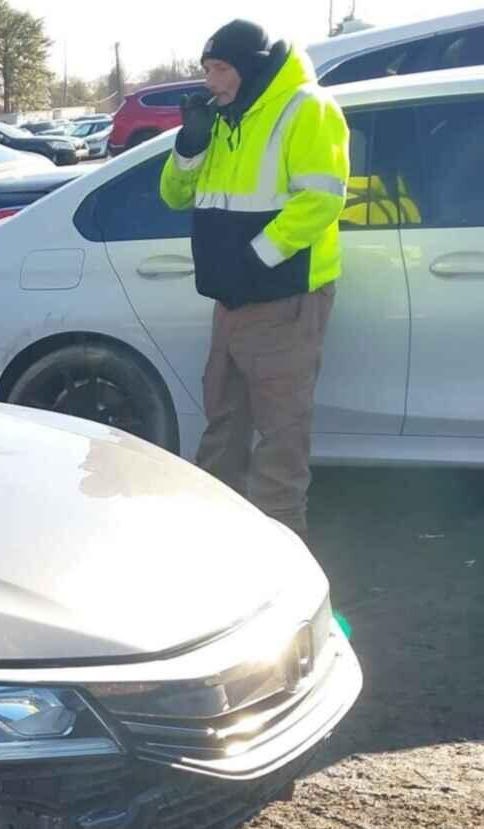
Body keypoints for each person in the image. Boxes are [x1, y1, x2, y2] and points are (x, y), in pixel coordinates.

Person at [161, 19, 350, 538]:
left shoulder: (305, 107)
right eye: (206, 69)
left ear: (253, 66)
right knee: (223, 427)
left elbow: (322, 198)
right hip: (233, 302)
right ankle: (218, 544)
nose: (210, 81)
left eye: (220, 68)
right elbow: (174, 197)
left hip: (283, 298)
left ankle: (285, 564)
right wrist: (188, 146)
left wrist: (256, 257)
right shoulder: (221, 119)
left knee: (280, 440)